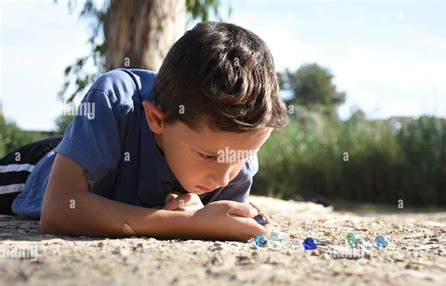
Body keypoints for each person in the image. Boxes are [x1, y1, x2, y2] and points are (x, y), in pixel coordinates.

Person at [0, 22, 287, 241]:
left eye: (239, 157)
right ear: (156, 119)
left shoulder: (238, 143)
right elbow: (59, 211)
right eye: (208, 156)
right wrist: (190, 224)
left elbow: (220, 218)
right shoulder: (115, 99)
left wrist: (202, 211)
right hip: (34, 168)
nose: (224, 177)